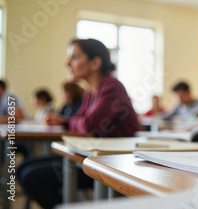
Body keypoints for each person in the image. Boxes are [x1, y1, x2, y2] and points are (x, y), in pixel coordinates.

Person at [18, 38, 142, 209]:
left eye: (74, 57)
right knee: (23, 168)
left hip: (116, 163)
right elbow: (80, 121)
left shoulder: (111, 86)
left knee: (32, 176)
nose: (67, 63)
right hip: (93, 155)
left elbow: (89, 124)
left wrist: (67, 122)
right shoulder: (92, 92)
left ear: (95, 63)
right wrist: (66, 121)